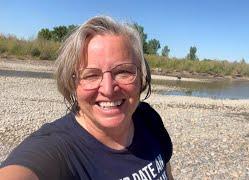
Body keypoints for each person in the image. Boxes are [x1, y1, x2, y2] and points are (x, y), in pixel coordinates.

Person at [0, 16, 173, 180]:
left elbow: (166, 171)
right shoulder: (59, 149)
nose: (108, 89)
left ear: (141, 76)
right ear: (71, 82)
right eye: (91, 75)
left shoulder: (147, 118)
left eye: (123, 71)